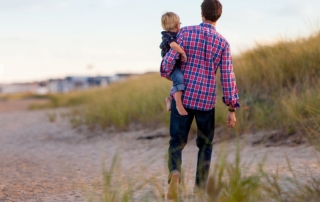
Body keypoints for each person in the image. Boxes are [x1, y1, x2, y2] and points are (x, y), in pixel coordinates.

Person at [160, 0, 240, 199]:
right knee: (205, 145)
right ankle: (200, 189)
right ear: (218, 16)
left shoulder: (185, 33)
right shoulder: (223, 43)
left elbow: (168, 63)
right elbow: (228, 77)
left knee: (176, 142)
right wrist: (231, 109)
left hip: (184, 97)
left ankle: (175, 173)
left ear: (202, 14)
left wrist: (167, 70)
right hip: (206, 101)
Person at [160, 12, 188, 116]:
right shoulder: (168, 36)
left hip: (174, 64)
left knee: (177, 81)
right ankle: (178, 105)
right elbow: (173, 45)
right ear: (177, 25)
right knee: (179, 78)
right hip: (170, 66)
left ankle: (170, 99)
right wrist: (182, 52)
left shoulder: (175, 35)